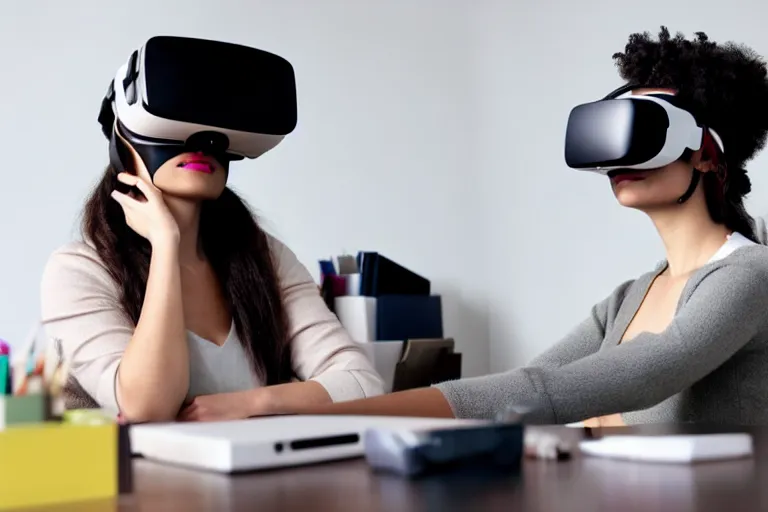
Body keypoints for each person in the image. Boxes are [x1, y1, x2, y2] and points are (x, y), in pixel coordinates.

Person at [285, 27, 768, 426]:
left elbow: (637, 376)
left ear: (705, 153)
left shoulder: (752, 275)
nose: (621, 156)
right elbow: (527, 388)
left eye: (642, 131)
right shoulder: (628, 299)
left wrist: (350, 418)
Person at [39, 42, 384, 423]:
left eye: (214, 135)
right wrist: (166, 247)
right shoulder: (77, 270)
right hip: (146, 482)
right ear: (121, 142)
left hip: (265, 475)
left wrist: (250, 404)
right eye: (176, 131)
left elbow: (362, 383)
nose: (201, 144)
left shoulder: (265, 258)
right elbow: (146, 407)